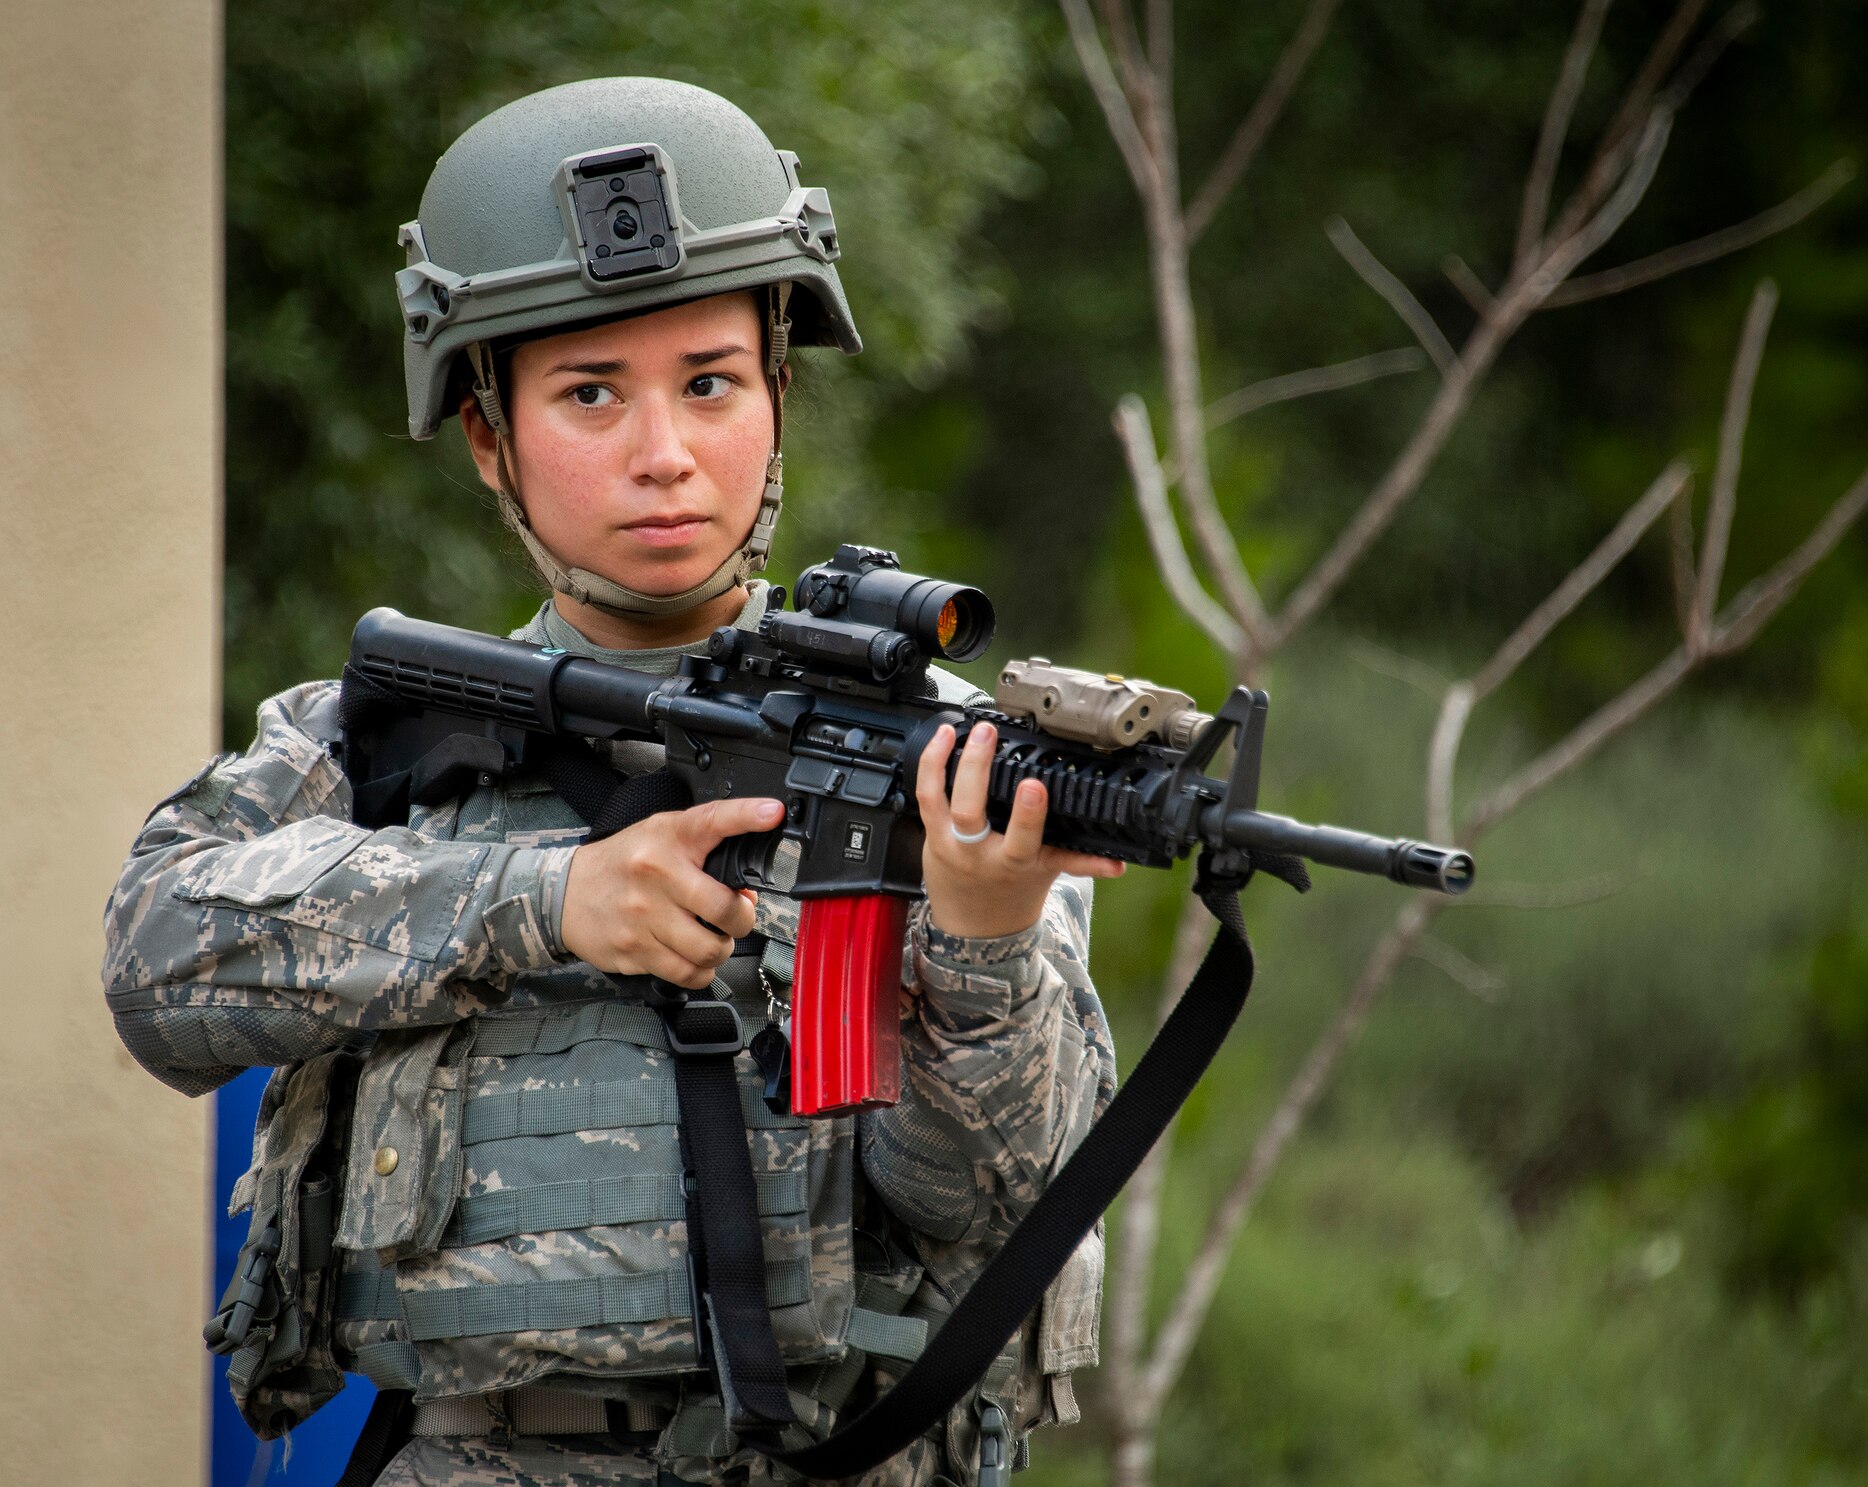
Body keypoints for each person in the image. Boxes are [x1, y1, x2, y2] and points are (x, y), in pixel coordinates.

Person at [104, 76, 1118, 1487]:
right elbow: (156, 962)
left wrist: (984, 939)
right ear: (487, 438)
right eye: (591, 394)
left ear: (776, 398)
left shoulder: (949, 763)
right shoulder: (376, 734)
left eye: (712, 383)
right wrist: (543, 900)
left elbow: (983, 1209)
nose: (666, 455)